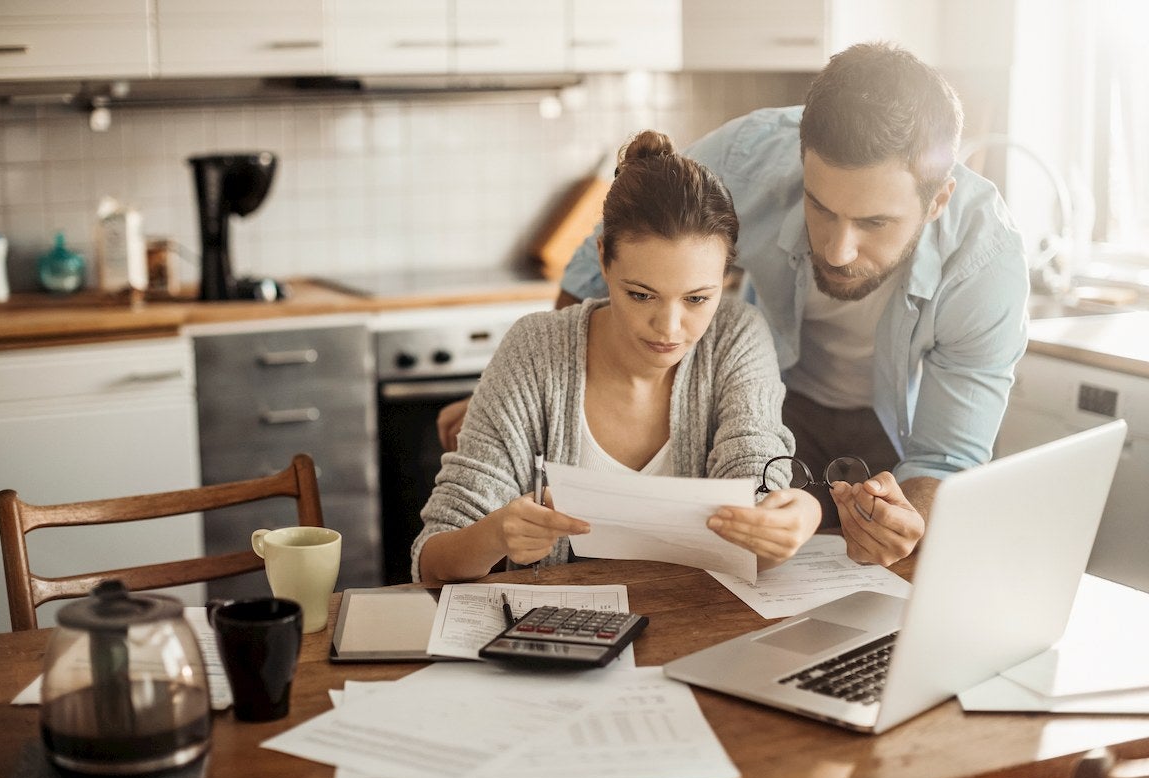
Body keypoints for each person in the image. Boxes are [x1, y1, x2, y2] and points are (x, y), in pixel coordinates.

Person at [439, 42, 1029, 568]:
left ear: (937, 199)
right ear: (801, 163)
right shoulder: (748, 155)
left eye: (874, 222)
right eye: (821, 207)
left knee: (870, 575)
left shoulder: (986, 265)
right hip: (771, 399)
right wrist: (528, 387)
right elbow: (607, 257)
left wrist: (910, 522)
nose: (837, 248)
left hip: (890, 438)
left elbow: (946, 456)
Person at [413, 131, 821, 583]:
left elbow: (755, 494)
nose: (668, 328)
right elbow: (433, 562)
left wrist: (795, 516)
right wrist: (494, 536)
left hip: (695, 629)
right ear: (604, 259)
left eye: (696, 299)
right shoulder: (535, 349)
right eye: (642, 294)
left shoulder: (735, 338)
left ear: (725, 277)